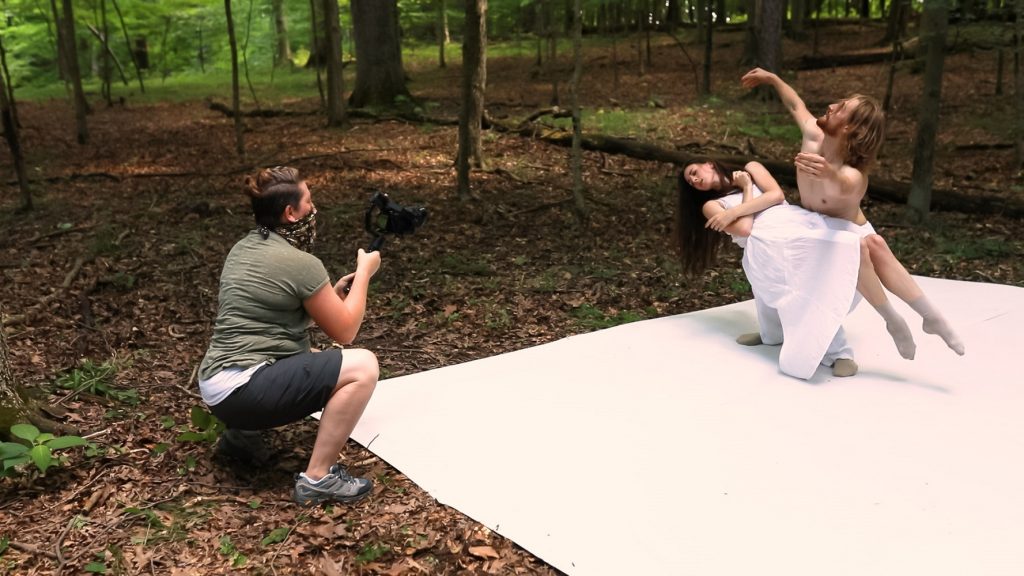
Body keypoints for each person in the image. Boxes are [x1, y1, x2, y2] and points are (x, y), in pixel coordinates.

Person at [740, 68, 964, 360]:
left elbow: (843, 183)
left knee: (871, 245)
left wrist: (828, 172)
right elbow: (796, 104)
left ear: (850, 128)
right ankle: (904, 319)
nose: (832, 105)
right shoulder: (813, 134)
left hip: (847, 232)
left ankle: (919, 318)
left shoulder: (853, 175)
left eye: (842, 108)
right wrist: (773, 79)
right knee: (770, 248)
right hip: (813, 228)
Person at [198, 166, 381, 506]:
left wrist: (332, 295)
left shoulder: (243, 249)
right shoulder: (301, 263)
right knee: (363, 367)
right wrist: (366, 272)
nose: (313, 209)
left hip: (215, 385)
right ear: (290, 212)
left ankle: (240, 437)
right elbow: (346, 331)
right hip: (244, 390)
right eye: (308, 202)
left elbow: (269, 319)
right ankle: (318, 478)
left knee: (303, 352)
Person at [678, 159, 864, 379]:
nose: (694, 179)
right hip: (762, 242)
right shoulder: (711, 206)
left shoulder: (751, 168)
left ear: (708, 164)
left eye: (693, 171)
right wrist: (747, 190)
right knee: (772, 287)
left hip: (793, 226)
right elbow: (745, 228)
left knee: (810, 283)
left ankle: (838, 352)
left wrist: (735, 209)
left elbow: (776, 195)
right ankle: (772, 334)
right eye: (690, 181)